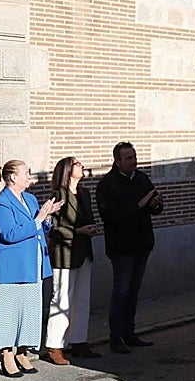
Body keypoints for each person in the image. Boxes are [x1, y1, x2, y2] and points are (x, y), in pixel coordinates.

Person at [0, 160, 63, 377]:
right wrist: (38, 219)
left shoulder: (30, 199)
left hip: (33, 265)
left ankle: (22, 351)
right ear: (12, 177)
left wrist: (48, 217)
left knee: (29, 312)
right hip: (11, 268)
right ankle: (6, 354)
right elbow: (9, 234)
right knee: (8, 314)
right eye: (25, 173)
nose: (29, 177)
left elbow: (39, 228)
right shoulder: (0, 204)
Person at [96, 142, 163, 354]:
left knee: (134, 290)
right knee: (121, 290)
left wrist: (156, 204)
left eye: (134, 157)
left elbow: (154, 207)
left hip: (142, 243)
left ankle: (129, 332)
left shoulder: (141, 178)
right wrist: (140, 205)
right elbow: (111, 216)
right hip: (121, 246)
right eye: (128, 158)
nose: (133, 161)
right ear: (117, 161)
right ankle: (115, 336)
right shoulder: (107, 184)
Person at [44, 156, 101, 364]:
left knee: (82, 299)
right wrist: (78, 231)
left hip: (84, 251)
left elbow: (88, 218)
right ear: (67, 170)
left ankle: (79, 341)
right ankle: (55, 346)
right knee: (62, 299)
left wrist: (91, 228)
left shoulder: (84, 193)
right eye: (77, 164)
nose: (82, 166)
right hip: (65, 254)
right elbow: (53, 229)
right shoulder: (58, 195)